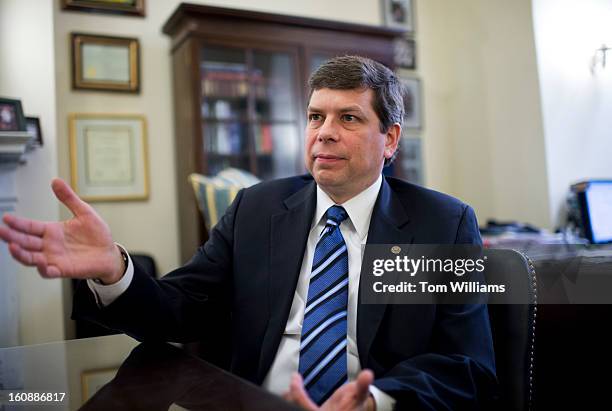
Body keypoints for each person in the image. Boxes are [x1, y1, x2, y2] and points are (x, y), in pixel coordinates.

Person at [0, 56, 496, 410]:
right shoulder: (257, 208)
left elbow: (465, 365)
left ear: (389, 139)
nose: (324, 132)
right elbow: (179, 310)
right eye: (315, 116)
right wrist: (114, 269)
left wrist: (374, 400)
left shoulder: (441, 224)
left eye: (348, 118)